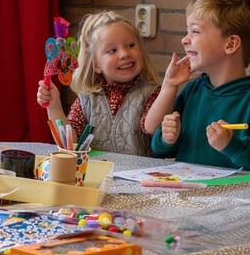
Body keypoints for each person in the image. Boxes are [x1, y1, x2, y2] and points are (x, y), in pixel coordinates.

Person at [148, 0, 250, 174]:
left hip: (241, 193)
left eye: (195, 31)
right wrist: (167, 139)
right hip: (189, 191)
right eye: (187, 31)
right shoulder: (193, 90)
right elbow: (159, 149)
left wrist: (233, 145)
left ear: (231, 44)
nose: (184, 40)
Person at [37, 11, 162, 156]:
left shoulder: (153, 94)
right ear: (96, 65)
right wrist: (54, 106)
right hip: (95, 170)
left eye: (130, 45)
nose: (124, 54)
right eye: (112, 50)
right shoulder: (86, 100)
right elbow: (69, 144)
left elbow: (154, 130)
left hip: (139, 171)